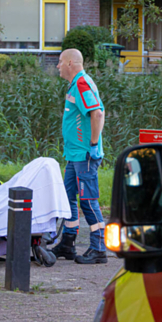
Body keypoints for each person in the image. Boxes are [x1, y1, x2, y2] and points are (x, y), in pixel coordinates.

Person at [51, 48, 107, 264]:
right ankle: (67, 243)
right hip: (75, 156)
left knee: (88, 201)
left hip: (84, 156)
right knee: (67, 198)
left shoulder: (82, 83)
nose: (57, 66)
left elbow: (97, 113)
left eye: (59, 62)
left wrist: (93, 145)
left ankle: (99, 248)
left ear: (70, 63)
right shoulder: (76, 84)